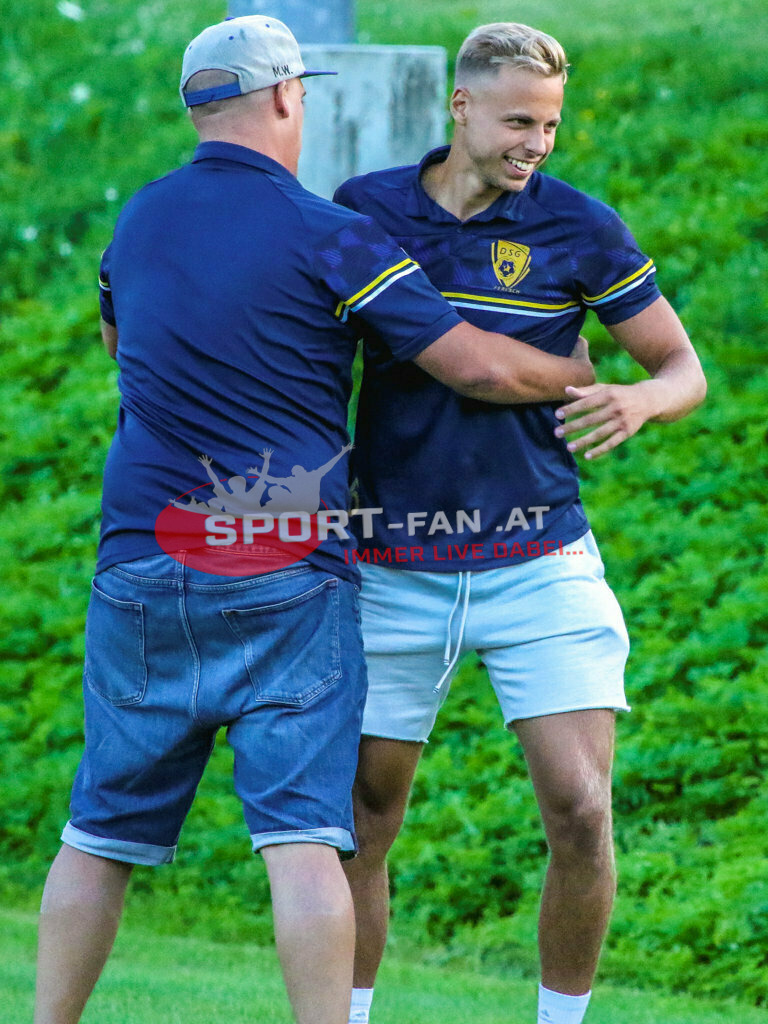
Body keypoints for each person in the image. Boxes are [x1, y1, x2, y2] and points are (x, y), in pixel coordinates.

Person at [33, 16, 598, 1024]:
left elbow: (121, 340)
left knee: (99, 832)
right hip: (285, 568)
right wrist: (573, 373)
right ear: (289, 97)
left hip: (144, 559)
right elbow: (466, 360)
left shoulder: (142, 219)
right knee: (301, 841)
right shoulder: (328, 229)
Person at [334, 22, 706, 1024]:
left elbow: (682, 369)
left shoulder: (581, 228)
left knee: (582, 809)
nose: (535, 142)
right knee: (365, 817)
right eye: (515, 121)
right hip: (389, 560)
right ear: (459, 108)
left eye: (548, 123)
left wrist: (640, 401)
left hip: (539, 557)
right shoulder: (365, 210)